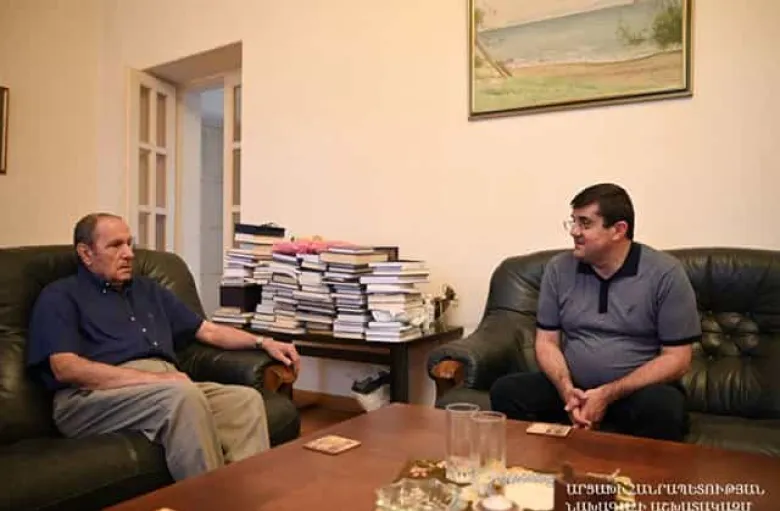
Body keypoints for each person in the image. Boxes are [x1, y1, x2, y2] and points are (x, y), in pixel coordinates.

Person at [26, 212, 301, 480]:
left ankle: (247, 497)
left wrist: (263, 342)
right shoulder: (60, 295)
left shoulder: (148, 290)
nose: (129, 254)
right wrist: (156, 380)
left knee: (244, 401)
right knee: (181, 396)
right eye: (115, 245)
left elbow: (208, 331)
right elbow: (66, 368)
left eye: (129, 243)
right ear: (86, 253)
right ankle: (208, 500)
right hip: (89, 397)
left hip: (163, 387)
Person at [490, 183, 700, 441]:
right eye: (573, 221)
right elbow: (546, 342)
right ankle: (538, 466)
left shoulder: (665, 273)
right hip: (573, 391)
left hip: (634, 392)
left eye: (585, 223)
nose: (574, 232)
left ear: (618, 230)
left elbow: (677, 359)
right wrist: (567, 390)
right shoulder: (558, 269)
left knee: (663, 408)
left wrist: (608, 394)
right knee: (507, 391)